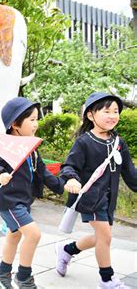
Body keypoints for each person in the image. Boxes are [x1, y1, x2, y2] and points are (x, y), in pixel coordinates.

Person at [0, 97, 79, 289]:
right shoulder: (5, 146)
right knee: (33, 234)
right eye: (32, 120)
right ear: (15, 124)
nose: (36, 124)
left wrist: (62, 186)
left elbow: (42, 172)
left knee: (14, 235)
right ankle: (24, 277)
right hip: (8, 200)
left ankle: (2, 273)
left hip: (24, 200)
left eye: (37, 119)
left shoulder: (31, 149)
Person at [55, 92, 137, 289]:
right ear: (91, 115)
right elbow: (68, 166)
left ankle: (67, 250)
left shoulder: (118, 142)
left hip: (109, 200)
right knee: (105, 236)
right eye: (106, 111)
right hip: (89, 198)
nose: (112, 115)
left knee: (100, 237)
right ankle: (107, 280)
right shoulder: (84, 142)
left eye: (115, 111)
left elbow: (131, 174)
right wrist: (72, 178)